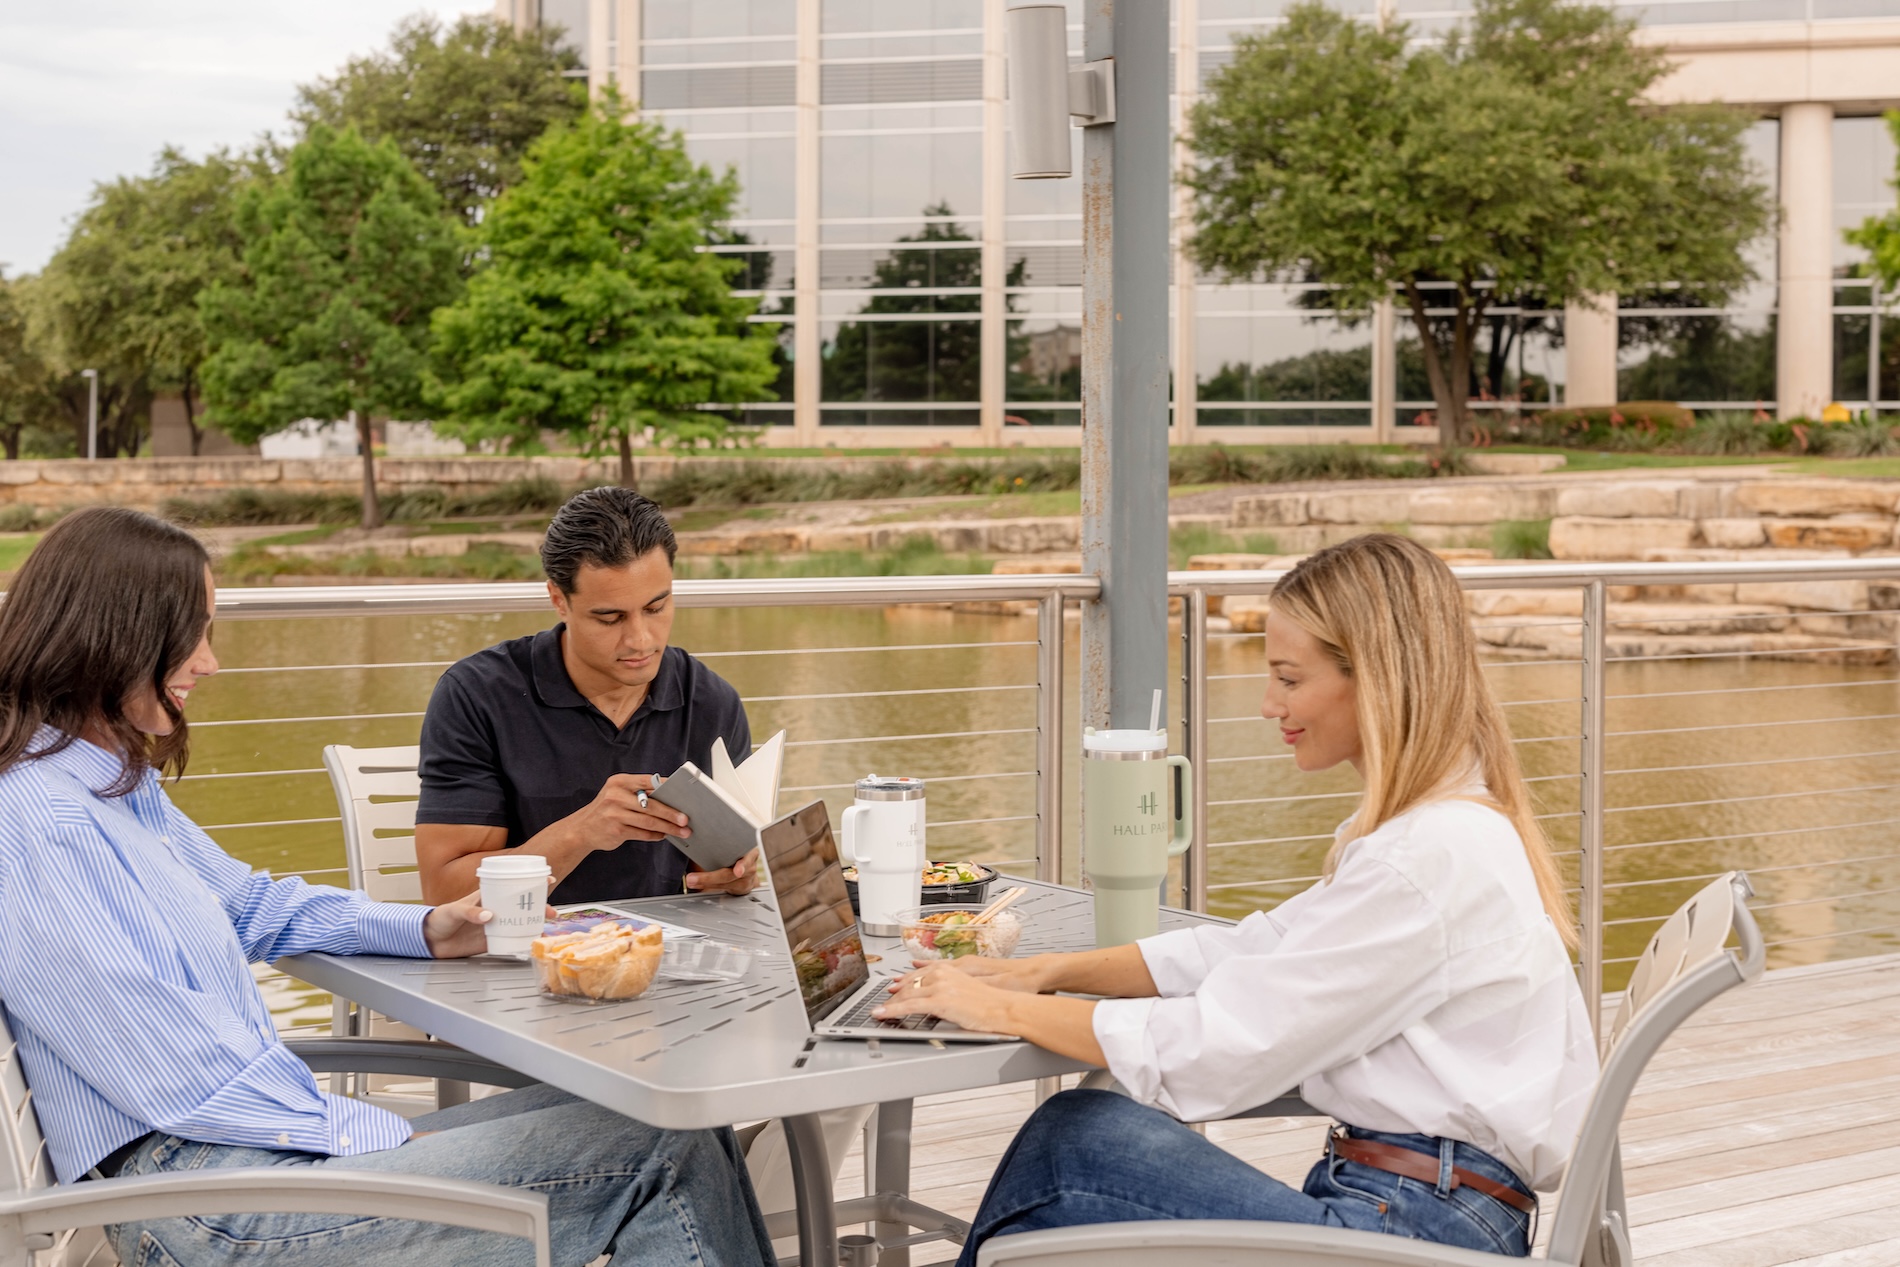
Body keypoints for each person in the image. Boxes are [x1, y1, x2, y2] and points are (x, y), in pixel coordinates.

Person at [0, 507, 774, 1267]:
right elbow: (167, 1069)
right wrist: (374, 1134)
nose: (209, 662)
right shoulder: (39, 817)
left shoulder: (105, 781)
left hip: (253, 1154)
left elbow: (252, 904)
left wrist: (430, 927)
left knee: (674, 1117)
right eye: (193, 634)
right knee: (660, 1149)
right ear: (113, 639)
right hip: (208, 1204)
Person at [877, 533, 1598, 1263]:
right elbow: (1252, 950)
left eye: (1288, 678)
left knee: (1072, 1147)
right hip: (1418, 1204)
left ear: (1375, 678)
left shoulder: (1426, 858)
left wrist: (1002, 1010)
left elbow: (1224, 1047)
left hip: (1414, 1230)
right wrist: (1046, 971)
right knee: (1078, 1136)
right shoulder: (1439, 827)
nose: (1267, 704)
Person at [415, 486, 757, 906]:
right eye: (610, 618)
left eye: (656, 608)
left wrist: (737, 875)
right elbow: (443, 893)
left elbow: (716, 876)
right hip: (521, 954)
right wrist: (581, 833)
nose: (640, 639)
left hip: (666, 957)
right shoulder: (477, 696)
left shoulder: (711, 701)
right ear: (559, 600)